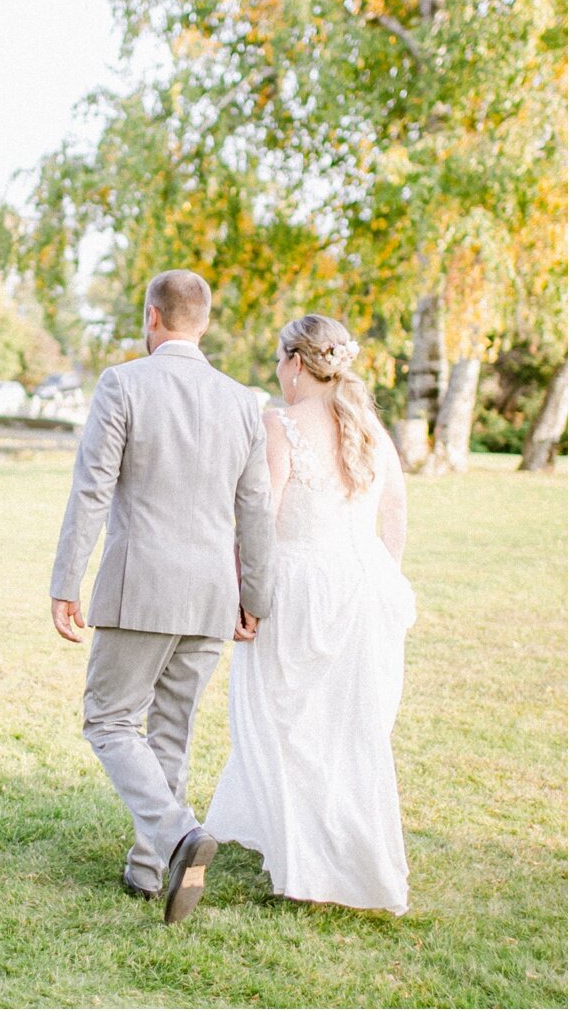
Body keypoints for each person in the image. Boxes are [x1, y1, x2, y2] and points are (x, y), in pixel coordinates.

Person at [50, 269, 275, 925]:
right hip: (211, 593)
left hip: (140, 584)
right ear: (200, 322)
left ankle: (177, 835)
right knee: (169, 730)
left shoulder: (123, 382)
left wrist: (67, 580)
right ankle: (149, 871)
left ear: (153, 317)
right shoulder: (242, 400)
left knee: (109, 718)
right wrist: (254, 592)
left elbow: (92, 488)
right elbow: (255, 507)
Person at [203, 314, 416, 913]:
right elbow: (395, 509)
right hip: (362, 585)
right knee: (348, 728)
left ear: (296, 362)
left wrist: (245, 593)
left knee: (280, 722)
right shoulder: (370, 426)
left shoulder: (281, 424)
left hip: (297, 588)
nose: (277, 371)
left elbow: (260, 515)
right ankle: (334, 854)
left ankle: (307, 866)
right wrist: (384, 571)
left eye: (279, 360)